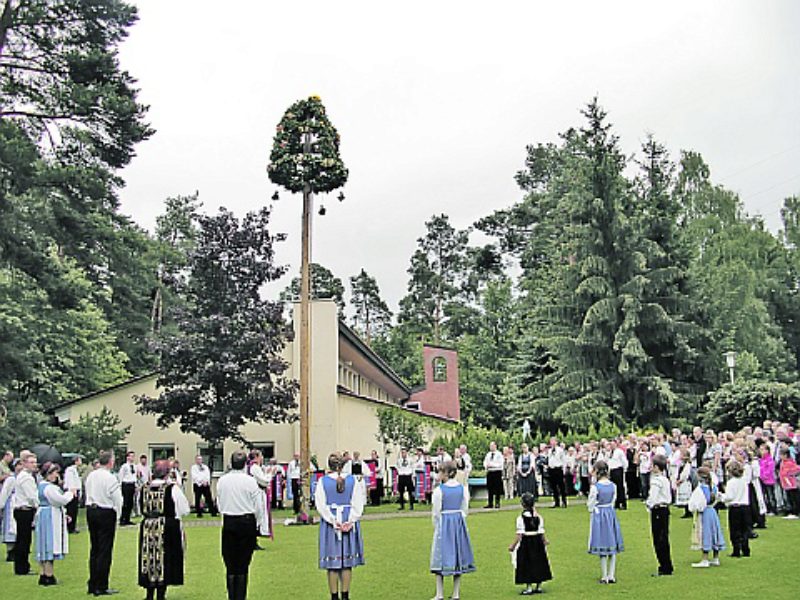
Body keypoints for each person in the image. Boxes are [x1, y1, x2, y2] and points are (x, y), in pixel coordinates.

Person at [217, 450, 268, 600]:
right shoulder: (250, 481)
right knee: (243, 565)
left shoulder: (222, 480)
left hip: (229, 521)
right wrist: (258, 523)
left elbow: (219, 502)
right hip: (246, 521)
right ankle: (240, 596)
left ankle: (232, 596)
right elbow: (258, 506)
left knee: (230, 565)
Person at [138, 460, 191, 600]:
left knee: (149, 558)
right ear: (167, 473)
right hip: (166, 526)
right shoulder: (172, 488)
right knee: (165, 557)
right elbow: (184, 509)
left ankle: (149, 593)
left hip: (148, 526)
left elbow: (139, 507)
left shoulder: (144, 488)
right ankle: (161, 593)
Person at [316, 452, 365, 600]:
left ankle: (334, 597)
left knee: (333, 563)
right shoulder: (352, 480)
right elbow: (358, 502)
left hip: (332, 523)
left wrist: (332, 520)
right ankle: (345, 596)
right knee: (346, 563)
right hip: (346, 519)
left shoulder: (322, 481)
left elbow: (321, 504)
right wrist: (350, 521)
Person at [430, 460, 474, 600]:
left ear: (447, 473)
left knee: (440, 555)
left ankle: (440, 593)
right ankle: (455, 593)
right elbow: (464, 509)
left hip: (444, 523)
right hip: (458, 523)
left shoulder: (439, 491)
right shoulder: (463, 489)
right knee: (457, 555)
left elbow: (436, 512)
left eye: (441, 472)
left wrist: (437, 525)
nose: (439, 474)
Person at [84, 449, 123, 596]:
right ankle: (102, 584)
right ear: (110, 461)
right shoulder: (110, 477)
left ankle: (92, 583)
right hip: (105, 511)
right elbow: (117, 499)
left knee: (95, 549)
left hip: (91, 511)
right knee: (104, 550)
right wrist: (118, 516)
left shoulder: (91, 476)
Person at [34, 462, 74, 586]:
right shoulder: (50, 488)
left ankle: (43, 573)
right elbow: (60, 500)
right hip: (50, 517)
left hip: (44, 515)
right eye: (55, 472)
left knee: (43, 544)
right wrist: (70, 493)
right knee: (49, 543)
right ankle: (48, 575)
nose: (57, 475)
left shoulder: (41, 485)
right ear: (49, 474)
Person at [587, 460, 624, 584]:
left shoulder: (595, 487)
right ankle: (611, 575)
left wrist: (594, 510)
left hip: (600, 515)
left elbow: (590, 504)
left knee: (602, 544)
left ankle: (604, 576)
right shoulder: (613, 486)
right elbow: (613, 500)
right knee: (611, 545)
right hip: (610, 513)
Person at [509, 492, 551, 595]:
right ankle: (539, 586)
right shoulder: (538, 517)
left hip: (526, 543)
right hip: (537, 543)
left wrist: (512, 546)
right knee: (538, 562)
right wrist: (544, 541)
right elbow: (541, 531)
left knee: (526, 564)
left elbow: (519, 534)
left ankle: (528, 587)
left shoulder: (521, 518)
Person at [688, 466, 726, 568]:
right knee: (714, 532)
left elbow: (697, 505)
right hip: (713, 512)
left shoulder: (700, 489)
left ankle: (705, 559)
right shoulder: (713, 487)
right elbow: (719, 497)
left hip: (705, 513)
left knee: (705, 533)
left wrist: (694, 508)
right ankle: (715, 557)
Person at [645, 454, 673, 576]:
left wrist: (649, 505)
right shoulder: (665, 479)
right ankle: (666, 564)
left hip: (658, 509)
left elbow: (653, 497)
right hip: (665, 509)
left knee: (659, 538)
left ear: (656, 467)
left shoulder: (656, 480)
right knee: (664, 537)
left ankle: (664, 566)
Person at [12, 451, 38, 575]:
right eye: (31, 462)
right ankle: (22, 567)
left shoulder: (23, 476)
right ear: (24, 463)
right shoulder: (26, 478)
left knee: (22, 538)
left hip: (21, 510)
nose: (34, 465)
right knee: (24, 539)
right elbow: (32, 496)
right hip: (24, 510)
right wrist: (38, 506)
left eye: (35, 462)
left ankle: (21, 566)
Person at [721, 460, 751, 556]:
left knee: (735, 530)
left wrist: (721, 496)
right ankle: (746, 549)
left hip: (735, 507)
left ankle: (736, 550)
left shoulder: (731, 483)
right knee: (744, 529)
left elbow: (729, 496)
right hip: (745, 507)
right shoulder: (744, 481)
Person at [0, 458, 22, 562]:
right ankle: (10, 551)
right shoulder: (11, 479)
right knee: (10, 527)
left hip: (20, 503)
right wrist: (2, 505)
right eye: (18, 465)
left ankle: (17, 549)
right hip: (11, 504)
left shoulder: (24, 478)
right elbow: (5, 492)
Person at [778, 447, 800, 518]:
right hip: (785, 483)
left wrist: (789, 473)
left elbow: (796, 469)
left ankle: (796, 512)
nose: (780, 456)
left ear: (785, 455)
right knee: (789, 498)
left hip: (791, 484)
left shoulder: (790, 462)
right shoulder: (782, 463)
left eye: (781, 455)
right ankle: (791, 511)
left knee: (794, 498)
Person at [63, 456, 83, 534]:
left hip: (75, 490)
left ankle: (72, 526)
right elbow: (71, 480)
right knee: (71, 510)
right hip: (72, 491)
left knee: (74, 510)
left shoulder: (74, 469)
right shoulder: (70, 470)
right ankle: (70, 527)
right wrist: (73, 490)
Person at [118, 451, 137, 526]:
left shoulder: (134, 466)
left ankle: (128, 519)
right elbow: (121, 476)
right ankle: (122, 519)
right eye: (131, 456)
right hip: (126, 484)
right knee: (125, 502)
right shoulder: (124, 466)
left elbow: (134, 476)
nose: (132, 458)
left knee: (130, 503)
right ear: (127, 457)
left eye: (133, 456)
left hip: (132, 484)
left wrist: (135, 485)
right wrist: (120, 485)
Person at [547, 438, 567, 508]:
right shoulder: (549, 451)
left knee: (561, 486)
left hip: (558, 469)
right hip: (551, 469)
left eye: (553, 441)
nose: (552, 443)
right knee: (554, 487)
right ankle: (556, 502)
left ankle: (564, 501)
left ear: (556, 442)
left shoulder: (560, 450)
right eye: (551, 441)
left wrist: (564, 470)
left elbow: (564, 460)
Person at [483, 441, 504, 509]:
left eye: (492, 446)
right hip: (490, 472)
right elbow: (485, 462)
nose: (491, 447)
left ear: (495, 446)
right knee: (490, 488)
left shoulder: (499, 454)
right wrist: (486, 465)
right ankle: (490, 503)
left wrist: (492, 465)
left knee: (497, 488)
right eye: (490, 446)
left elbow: (500, 464)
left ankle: (497, 503)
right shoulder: (488, 454)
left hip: (497, 472)